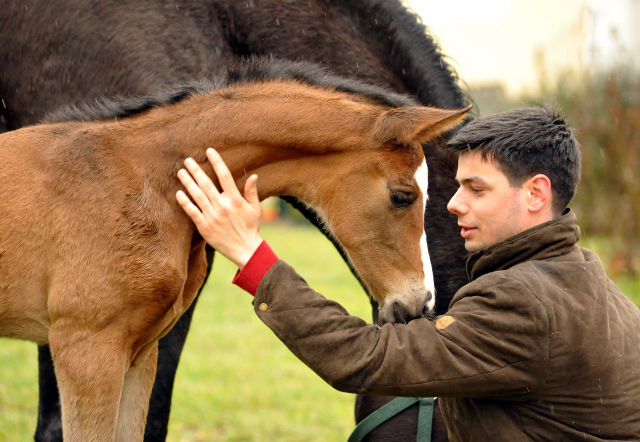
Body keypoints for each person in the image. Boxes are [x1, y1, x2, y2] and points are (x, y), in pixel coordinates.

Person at [175, 107, 640, 441]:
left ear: (536, 193)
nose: (454, 204)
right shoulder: (587, 280)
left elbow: (367, 358)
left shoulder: (525, 302)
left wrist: (250, 254)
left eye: (476, 189)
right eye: (457, 186)